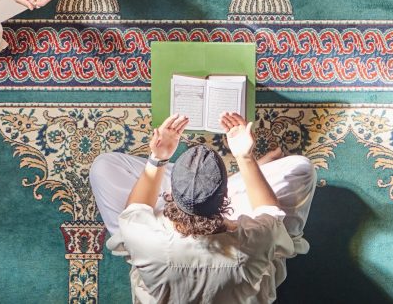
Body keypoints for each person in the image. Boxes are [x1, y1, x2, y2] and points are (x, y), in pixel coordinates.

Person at [89, 113, 317, 303]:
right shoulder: (254, 239)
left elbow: (135, 209)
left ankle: (210, 183)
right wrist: (245, 157)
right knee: (302, 169)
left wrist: (158, 159)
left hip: (157, 243)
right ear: (224, 199)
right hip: (239, 247)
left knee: (103, 167)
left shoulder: (144, 237)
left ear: (171, 196)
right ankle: (234, 182)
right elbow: (270, 213)